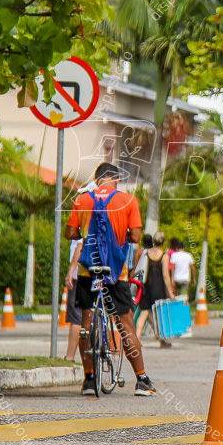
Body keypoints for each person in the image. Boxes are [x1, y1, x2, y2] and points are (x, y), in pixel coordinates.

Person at [65, 163, 156, 396]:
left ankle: (88, 380)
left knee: (86, 324)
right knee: (125, 325)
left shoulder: (82, 200)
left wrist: (84, 232)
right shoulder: (128, 200)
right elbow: (135, 236)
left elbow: (70, 233)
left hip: (88, 272)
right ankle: (142, 380)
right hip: (116, 272)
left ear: (97, 180)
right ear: (115, 180)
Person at [134, 231, 175, 346]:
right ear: (163, 242)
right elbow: (166, 275)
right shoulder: (164, 256)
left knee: (144, 313)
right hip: (158, 288)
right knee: (160, 315)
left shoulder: (146, 254)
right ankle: (162, 341)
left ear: (153, 241)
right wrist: (171, 292)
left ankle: (137, 339)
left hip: (146, 287)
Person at [64, 238, 84, 362]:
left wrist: (71, 270)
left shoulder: (84, 220)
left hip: (80, 275)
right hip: (94, 274)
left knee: (76, 317)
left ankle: (70, 356)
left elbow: (80, 246)